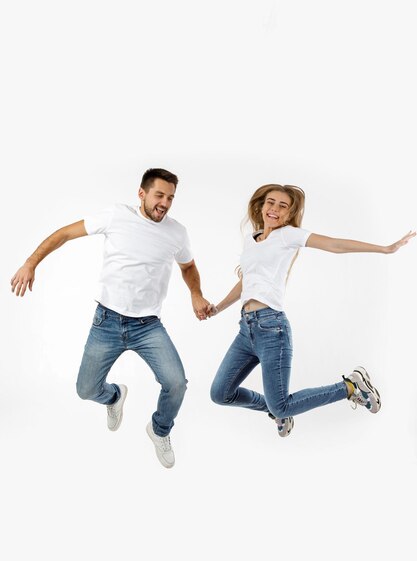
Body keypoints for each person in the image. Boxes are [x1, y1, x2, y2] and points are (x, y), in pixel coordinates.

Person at [11, 168, 210, 468]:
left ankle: (159, 430)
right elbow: (64, 234)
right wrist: (30, 263)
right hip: (107, 322)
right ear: (141, 194)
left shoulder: (176, 232)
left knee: (177, 383)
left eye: (170, 198)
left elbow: (188, 267)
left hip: (148, 326)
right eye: (159, 195)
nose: (165, 203)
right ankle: (115, 396)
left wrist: (196, 293)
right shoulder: (117, 216)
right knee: (86, 390)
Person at [209, 184, 415, 437]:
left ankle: (350, 387)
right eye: (270, 202)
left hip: (271, 328)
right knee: (220, 393)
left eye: (282, 206)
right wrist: (217, 308)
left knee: (282, 405)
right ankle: (276, 411)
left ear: (289, 213)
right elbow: (246, 283)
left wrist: (385, 248)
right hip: (246, 329)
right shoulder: (252, 240)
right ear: (261, 206)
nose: (274, 209)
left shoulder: (288, 235)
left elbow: (334, 245)